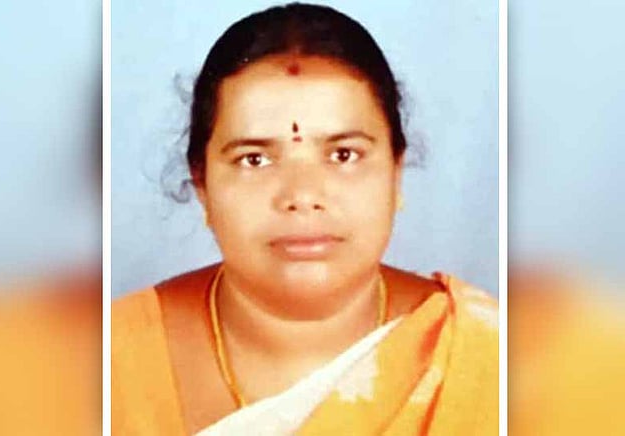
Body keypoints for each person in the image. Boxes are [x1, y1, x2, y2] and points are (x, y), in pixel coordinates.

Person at [112, 3, 498, 435]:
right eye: (254, 159)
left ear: (396, 172)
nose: (302, 196)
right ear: (202, 184)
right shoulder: (106, 364)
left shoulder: (491, 359)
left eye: (344, 155)